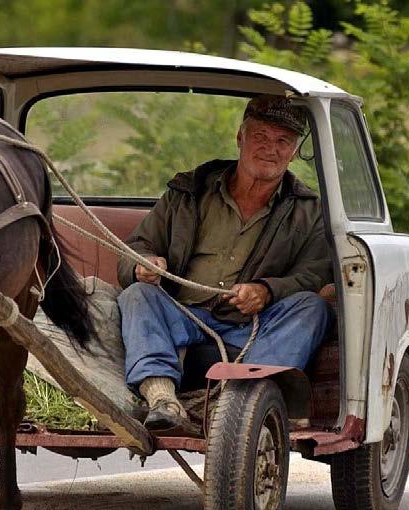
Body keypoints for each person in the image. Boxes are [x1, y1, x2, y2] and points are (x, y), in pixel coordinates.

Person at [116, 94, 333, 432]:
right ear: (240, 138)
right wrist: (143, 264)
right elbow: (136, 247)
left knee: (313, 307)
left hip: (254, 326)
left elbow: (315, 273)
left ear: (293, 151)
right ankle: (161, 398)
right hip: (182, 312)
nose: (270, 149)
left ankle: (241, 403)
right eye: (260, 137)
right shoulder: (188, 190)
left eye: (282, 141)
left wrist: (267, 291)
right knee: (136, 295)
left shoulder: (308, 209)